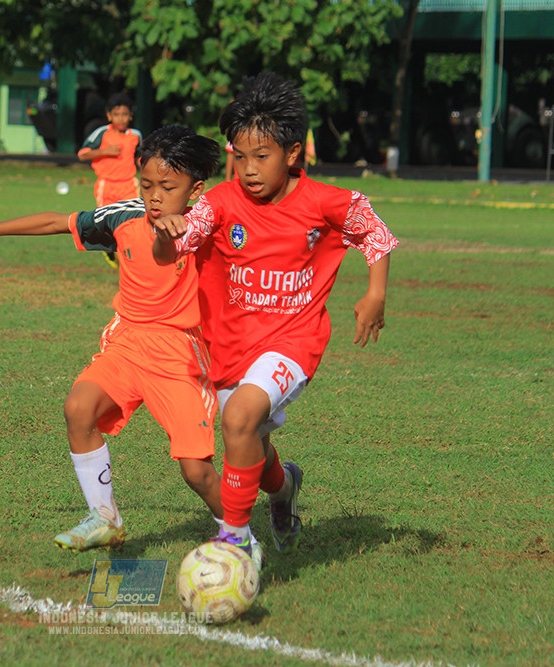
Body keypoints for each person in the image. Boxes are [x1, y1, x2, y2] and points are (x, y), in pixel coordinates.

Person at [0, 125, 261, 567]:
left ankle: (242, 536)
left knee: (197, 471)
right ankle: (105, 517)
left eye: (168, 188)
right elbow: (57, 222)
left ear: (196, 189)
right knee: (78, 408)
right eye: (146, 184)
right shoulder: (123, 217)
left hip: (180, 354)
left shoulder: (211, 225)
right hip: (126, 341)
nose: (154, 197)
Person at [152, 72, 398, 558]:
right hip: (231, 346)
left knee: (240, 418)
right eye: (240, 156)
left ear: (292, 153)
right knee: (249, 442)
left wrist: (376, 294)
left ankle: (234, 542)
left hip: (294, 339)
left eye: (261, 157)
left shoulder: (322, 201)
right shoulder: (220, 203)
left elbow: (375, 231)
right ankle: (284, 489)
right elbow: (172, 250)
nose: (248, 169)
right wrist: (166, 233)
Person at [77, 93, 143, 270]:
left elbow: (139, 157)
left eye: (124, 114)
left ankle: (130, 258)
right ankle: (109, 249)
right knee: (106, 222)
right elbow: (82, 154)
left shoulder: (136, 135)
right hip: (107, 185)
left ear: (130, 116)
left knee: (133, 222)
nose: (121, 118)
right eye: (116, 114)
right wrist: (105, 151)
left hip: (129, 184)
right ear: (109, 116)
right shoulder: (102, 133)